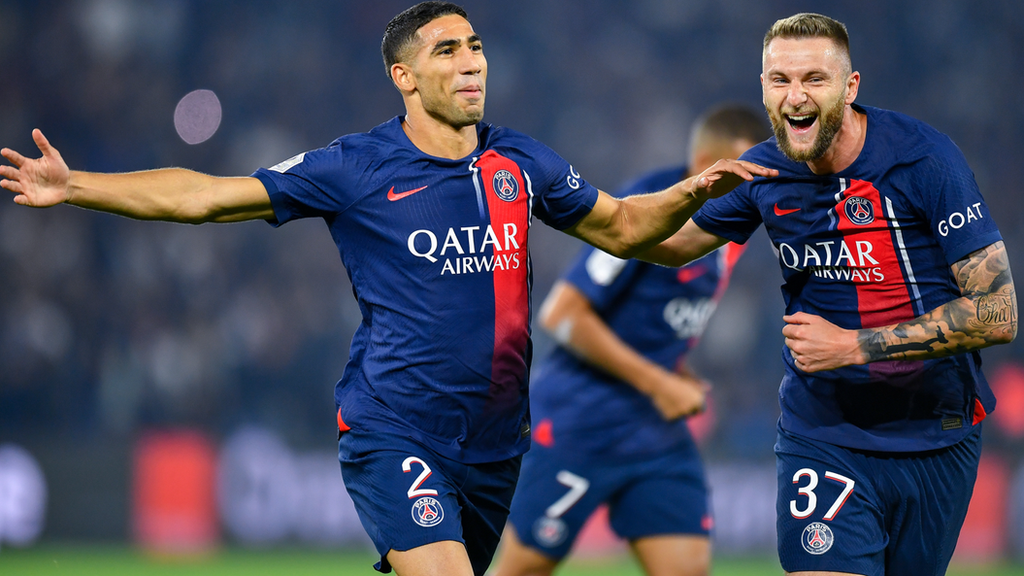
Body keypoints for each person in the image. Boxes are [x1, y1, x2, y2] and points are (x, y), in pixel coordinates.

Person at [0, 3, 776, 575]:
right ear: (404, 76)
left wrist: (696, 193)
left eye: (475, 46)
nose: (472, 61)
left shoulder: (522, 162)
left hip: (496, 443)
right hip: (394, 426)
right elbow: (205, 196)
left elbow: (626, 228)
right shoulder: (356, 167)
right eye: (447, 50)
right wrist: (78, 187)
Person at [642, 12, 1017, 576]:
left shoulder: (923, 160)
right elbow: (662, 241)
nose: (795, 96)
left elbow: (998, 312)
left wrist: (855, 346)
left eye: (814, 79)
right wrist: (555, 197)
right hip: (822, 434)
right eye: (779, 80)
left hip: (936, 435)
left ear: (850, 86)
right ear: (764, 88)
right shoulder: (762, 173)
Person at [491, 105, 769, 576]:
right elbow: (563, 313)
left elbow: (655, 320)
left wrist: (674, 371)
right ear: (704, 162)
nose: (750, 186)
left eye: (758, 174)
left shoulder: (732, 229)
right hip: (581, 422)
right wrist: (659, 383)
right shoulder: (645, 208)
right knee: (524, 569)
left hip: (654, 435)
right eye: (738, 172)